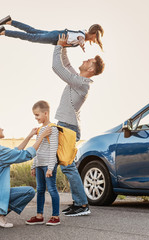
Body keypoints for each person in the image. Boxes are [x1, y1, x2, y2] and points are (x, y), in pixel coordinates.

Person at [52, 34, 105, 216]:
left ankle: (82, 205)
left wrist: (58, 45)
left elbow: (57, 67)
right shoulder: (78, 78)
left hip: (68, 127)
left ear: (91, 68)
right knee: (60, 165)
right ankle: (78, 203)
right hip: (65, 125)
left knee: (68, 167)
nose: (85, 59)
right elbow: (66, 64)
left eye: (88, 60)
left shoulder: (83, 83)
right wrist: (65, 45)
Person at [0, 120, 52, 228]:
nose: (2, 128)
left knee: (18, 191)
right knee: (29, 192)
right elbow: (26, 154)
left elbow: (15, 152)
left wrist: (29, 136)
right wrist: (42, 136)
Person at [26, 101, 60, 226]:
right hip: (40, 164)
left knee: (51, 189)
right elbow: (37, 148)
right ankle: (39, 216)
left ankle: (55, 216)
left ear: (45, 113)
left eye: (37, 115)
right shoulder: (40, 129)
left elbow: (53, 149)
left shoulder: (52, 128)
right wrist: (33, 165)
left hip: (48, 165)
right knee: (40, 190)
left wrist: (50, 168)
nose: (36, 118)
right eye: (35, 115)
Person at [0, 15, 103, 52]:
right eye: (95, 39)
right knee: (31, 37)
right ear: (93, 34)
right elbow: (79, 38)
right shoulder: (81, 37)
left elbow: (78, 36)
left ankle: (9, 21)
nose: (94, 41)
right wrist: (82, 44)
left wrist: (81, 44)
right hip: (55, 37)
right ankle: (4, 32)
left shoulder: (82, 32)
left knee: (32, 31)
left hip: (55, 34)